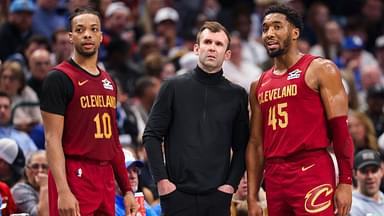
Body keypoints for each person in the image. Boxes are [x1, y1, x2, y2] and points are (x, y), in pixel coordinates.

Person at [246, 4, 354, 216]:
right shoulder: (258, 84)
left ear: (295, 32)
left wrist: (346, 182)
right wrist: (251, 196)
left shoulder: (321, 69)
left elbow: (341, 130)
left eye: (277, 27)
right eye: (265, 28)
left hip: (311, 169)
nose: (269, 33)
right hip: (275, 176)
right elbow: (256, 143)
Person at [143, 21, 250, 216]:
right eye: (208, 42)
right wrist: (162, 181)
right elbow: (151, 135)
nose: (212, 48)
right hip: (176, 195)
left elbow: (242, 146)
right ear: (196, 48)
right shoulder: (172, 86)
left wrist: (230, 186)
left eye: (219, 44)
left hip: (217, 197)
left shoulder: (237, 95)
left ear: (227, 54)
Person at [40, 7, 138, 216]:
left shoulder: (108, 81)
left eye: (93, 29)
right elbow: (52, 139)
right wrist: (63, 190)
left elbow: (113, 142)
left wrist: (127, 189)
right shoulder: (58, 78)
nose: (87, 34)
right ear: (70, 36)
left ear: (101, 36)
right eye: (80, 29)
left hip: (105, 176)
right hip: (74, 173)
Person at [115, 149, 160, 216]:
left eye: (135, 170)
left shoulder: (140, 202)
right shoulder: (109, 206)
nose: (133, 176)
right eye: (126, 171)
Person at [11, 150, 49, 216]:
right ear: (27, 170)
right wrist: (44, 186)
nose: (40, 170)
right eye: (35, 167)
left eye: (44, 167)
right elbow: (39, 214)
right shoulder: (19, 190)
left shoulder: (58, 188)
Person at [350, 149, 384, 215]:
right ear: (354, 174)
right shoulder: (351, 206)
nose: (370, 176)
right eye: (364, 171)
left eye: (374, 171)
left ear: (382, 172)